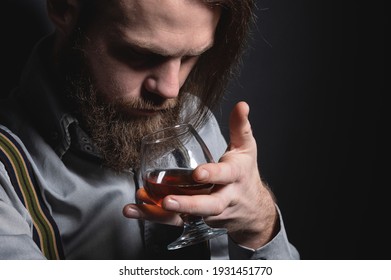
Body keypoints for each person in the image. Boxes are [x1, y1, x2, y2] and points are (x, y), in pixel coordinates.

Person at [0, 0, 299, 260]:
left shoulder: (194, 124)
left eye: (189, 57)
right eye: (141, 55)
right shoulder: (8, 176)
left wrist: (260, 224)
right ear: (63, 8)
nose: (171, 91)